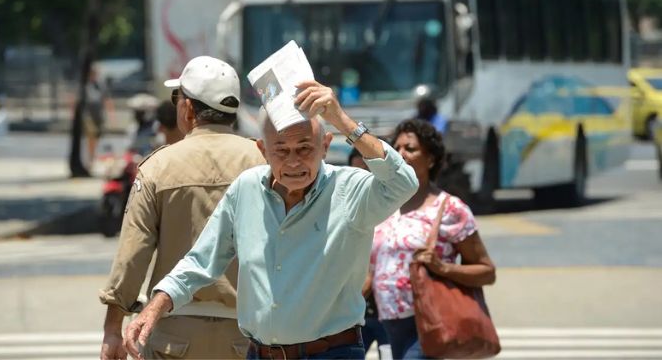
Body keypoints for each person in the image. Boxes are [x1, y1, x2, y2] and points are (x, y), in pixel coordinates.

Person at [123, 80, 419, 360]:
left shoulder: (350, 189)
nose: (293, 162)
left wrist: (342, 120)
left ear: (325, 146)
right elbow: (201, 261)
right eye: (281, 151)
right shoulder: (246, 188)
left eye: (304, 148)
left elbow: (404, 182)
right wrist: (154, 307)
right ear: (263, 151)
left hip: (331, 352)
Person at [99, 56, 266, 360]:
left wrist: (112, 330)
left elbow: (132, 255)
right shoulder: (264, 162)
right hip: (250, 333)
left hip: (173, 332)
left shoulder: (158, 167)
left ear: (188, 108)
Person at [370, 118, 496, 360]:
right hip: (385, 321)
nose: (401, 154)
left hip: (426, 322)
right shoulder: (383, 203)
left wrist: (443, 268)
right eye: (396, 148)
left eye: (410, 148)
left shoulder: (450, 209)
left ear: (431, 159)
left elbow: (486, 271)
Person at [348, 148, 390, 359]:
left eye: (368, 170)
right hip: (356, 316)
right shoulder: (346, 212)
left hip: (391, 315)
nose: (363, 178)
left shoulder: (396, 209)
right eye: (357, 171)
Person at [84, 66, 114, 166]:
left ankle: (92, 155)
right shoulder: (85, 85)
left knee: (97, 136)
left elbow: (106, 99)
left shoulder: (100, 85)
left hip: (98, 115)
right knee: (91, 135)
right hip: (89, 115)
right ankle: (91, 157)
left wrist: (111, 114)